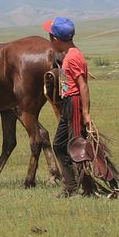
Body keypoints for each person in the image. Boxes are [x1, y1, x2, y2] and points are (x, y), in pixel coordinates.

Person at [43, 17, 91, 197]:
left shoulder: (73, 57)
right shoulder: (68, 55)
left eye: (50, 37)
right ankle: (70, 186)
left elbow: (83, 86)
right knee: (59, 145)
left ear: (56, 40)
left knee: (76, 146)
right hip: (68, 103)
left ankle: (83, 188)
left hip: (75, 102)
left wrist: (85, 113)